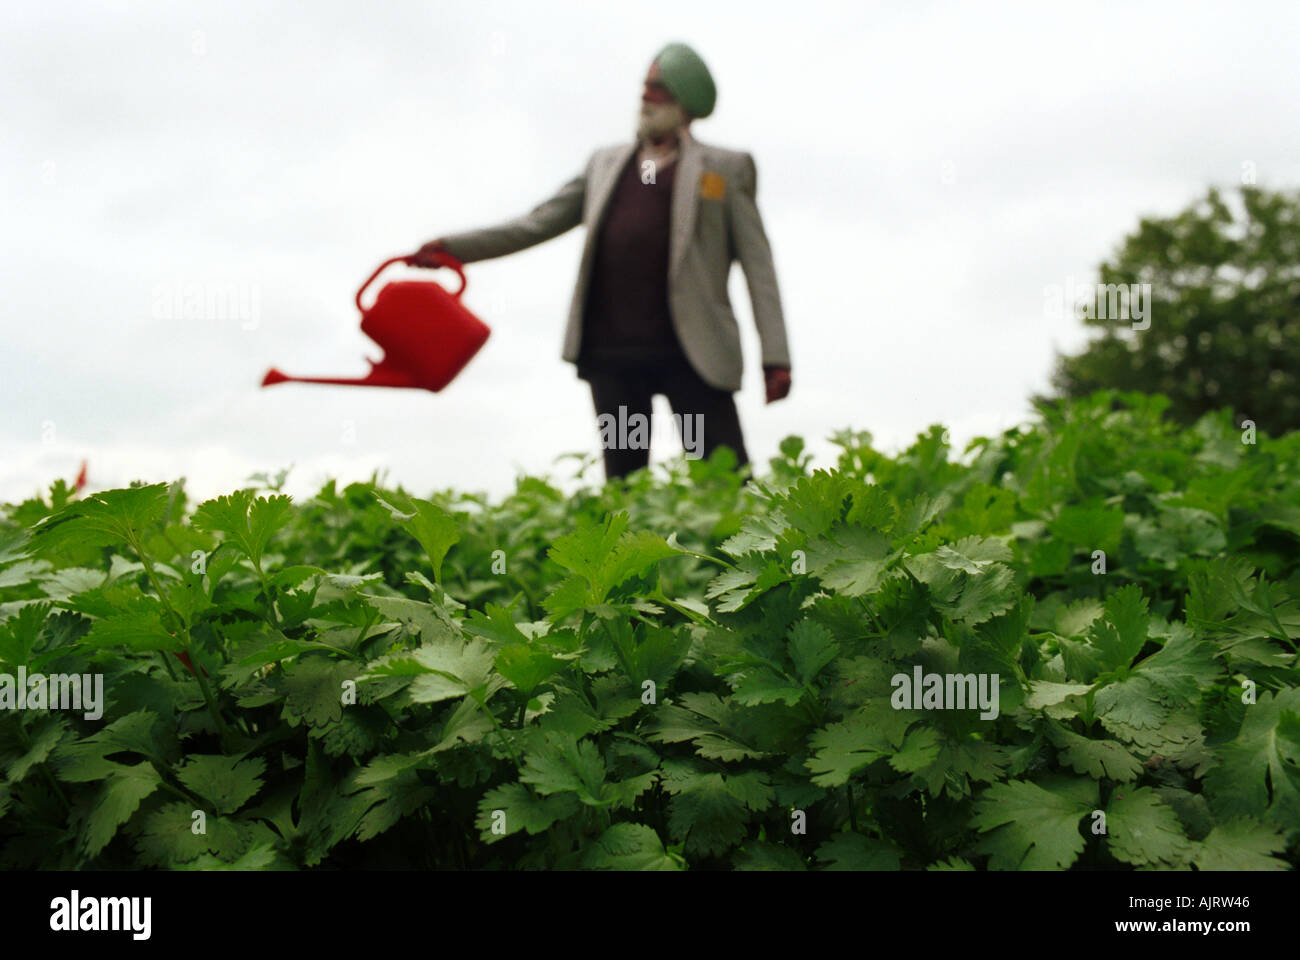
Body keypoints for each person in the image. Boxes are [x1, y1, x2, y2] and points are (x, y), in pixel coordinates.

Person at [413, 42, 792, 481]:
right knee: (624, 485)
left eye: (659, 88)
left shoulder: (725, 169)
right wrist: (453, 248)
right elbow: (537, 222)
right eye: (645, 86)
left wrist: (775, 356)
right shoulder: (605, 164)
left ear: (685, 101)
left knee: (725, 482)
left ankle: (735, 555)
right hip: (612, 355)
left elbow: (758, 265)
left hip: (693, 354)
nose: (645, 96)